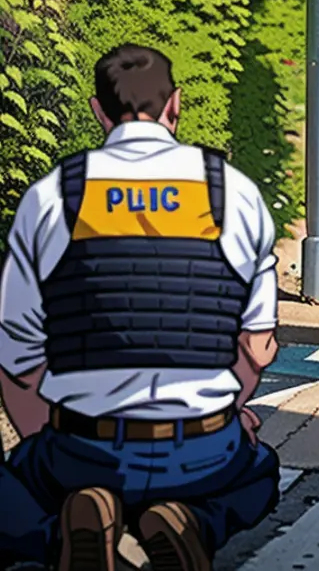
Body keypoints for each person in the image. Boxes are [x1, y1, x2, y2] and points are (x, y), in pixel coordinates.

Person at [0, 44, 282, 571]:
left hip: (83, 446)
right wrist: (228, 412)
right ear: (175, 105)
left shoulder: (51, 195)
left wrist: (52, 437)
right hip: (202, 448)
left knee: (14, 484)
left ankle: (63, 536)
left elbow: (17, 359)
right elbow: (258, 345)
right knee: (260, 469)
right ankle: (191, 520)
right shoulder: (233, 193)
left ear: (98, 111)